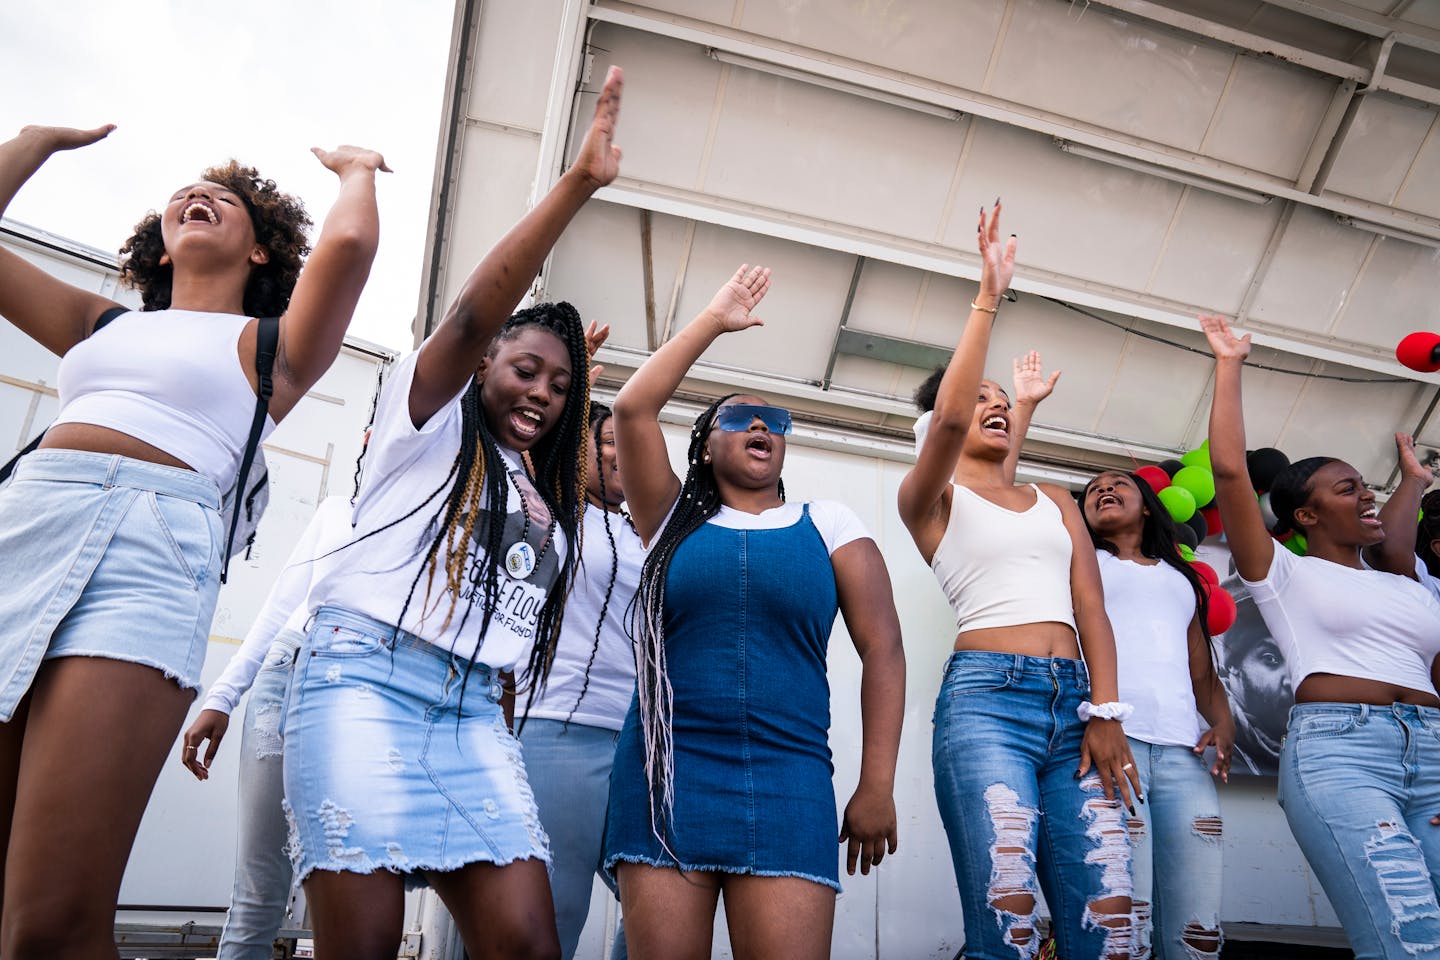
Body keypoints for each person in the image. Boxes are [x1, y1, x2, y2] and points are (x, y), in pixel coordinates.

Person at [0, 121, 385, 957]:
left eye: (231, 201)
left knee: (49, 928)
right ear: (161, 244)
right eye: (186, 192)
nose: (200, 196)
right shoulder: (102, 325)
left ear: (259, 254)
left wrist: (355, 169)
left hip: (151, 555)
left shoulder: (272, 347)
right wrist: (32, 143)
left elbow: (351, 242)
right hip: (24, 530)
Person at [278, 67, 623, 960]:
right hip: (363, 683)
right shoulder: (422, 424)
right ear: (480, 368)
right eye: (524, 370)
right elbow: (474, 313)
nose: (542, 392)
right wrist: (577, 185)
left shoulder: (545, 493)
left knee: (527, 945)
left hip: (474, 717)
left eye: (560, 383)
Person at [605, 264, 905, 960]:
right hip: (667, 774)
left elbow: (884, 651)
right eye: (738, 418)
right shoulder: (670, 515)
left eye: (777, 420)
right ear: (706, 446)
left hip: (790, 776)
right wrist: (713, 320)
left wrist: (878, 783)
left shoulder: (828, 523)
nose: (762, 425)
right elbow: (630, 410)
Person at [897, 201, 1138, 960]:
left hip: (1078, 705)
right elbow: (942, 430)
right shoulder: (928, 499)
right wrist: (987, 297)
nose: (995, 407)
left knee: (1112, 919)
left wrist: (1106, 709)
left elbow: (1091, 609)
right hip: (987, 703)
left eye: (1004, 404)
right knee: (1007, 920)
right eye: (980, 400)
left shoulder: (1055, 501)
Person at [1201, 313, 1440, 960]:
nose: (1366, 495)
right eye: (1348, 488)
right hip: (1343, 754)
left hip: (1435, 755)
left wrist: (1413, 479)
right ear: (1306, 515)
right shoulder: (1285, 575)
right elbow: (1227, 474)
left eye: (1368, 485)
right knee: (1410, 938)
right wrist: (1229, 365)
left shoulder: (1412, 587)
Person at [179, 494, 355, 960]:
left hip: (366, 695)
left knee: (352, 893)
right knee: (259, 891)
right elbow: (281, 607)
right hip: (287, 671)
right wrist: (222, 696)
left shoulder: (448, 508)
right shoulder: (338, 509)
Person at [1081, 470, 1234, 959]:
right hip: (1110, 747)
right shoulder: (1079, 565)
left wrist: (1224, 721)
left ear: (1147, 505)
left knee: (1199, 927)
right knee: (1129, 920)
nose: (1103, 489)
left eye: (1117, 484)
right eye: (1092, 490)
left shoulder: (1182, 578)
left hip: (1183, 757)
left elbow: (1200, 671)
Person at [519, 400, 643, 960]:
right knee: (553, 916)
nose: (626, 453)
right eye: (612, 440)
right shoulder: (550, 509)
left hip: (641, 743)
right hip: (559, 727)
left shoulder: (652, 531)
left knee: (663, 903)